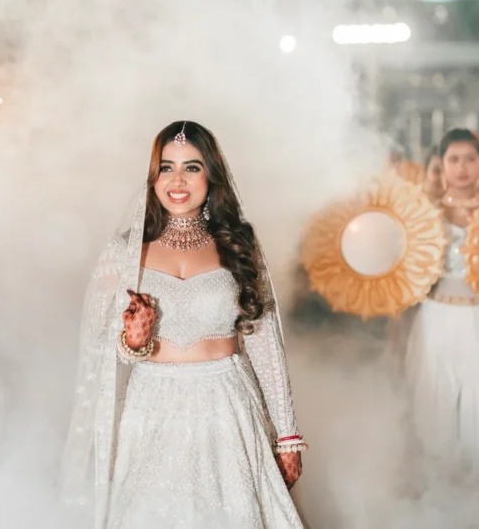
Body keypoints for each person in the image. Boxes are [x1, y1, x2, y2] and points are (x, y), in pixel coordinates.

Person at [60, 121, 306, 528]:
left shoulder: (237, 245)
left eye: (191, 167)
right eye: (166, 167)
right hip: (152, 409)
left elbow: (264, 344)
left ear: (211, 175)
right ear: (153, 177)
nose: (177, 181)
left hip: (225, 407)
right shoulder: (125, 253)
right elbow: (98, 353)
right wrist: (132, 340)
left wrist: (287, 436)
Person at [405, 128, 479, 480]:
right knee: (436, 402)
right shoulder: (424, 211)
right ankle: (441, 488)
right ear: (441, 164)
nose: (462, 167)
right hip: (437, 317)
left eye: (470, 159)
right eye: (454, 159)